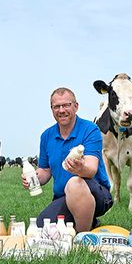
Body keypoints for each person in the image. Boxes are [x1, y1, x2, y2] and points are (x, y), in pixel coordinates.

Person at [21, 87, 113, 233]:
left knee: (74, 183)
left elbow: (91, 168)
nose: (61, 110)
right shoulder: (46, 136)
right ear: (51, 109)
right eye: (56, 106)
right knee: (41, 229)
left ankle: (83, 235)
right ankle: (88, 222)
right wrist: (34, 178)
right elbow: (45, 170)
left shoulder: (90, 129)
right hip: (63, 196)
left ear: (76, 106)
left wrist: (80, 169)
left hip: (97, 194)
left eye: (66, 105)